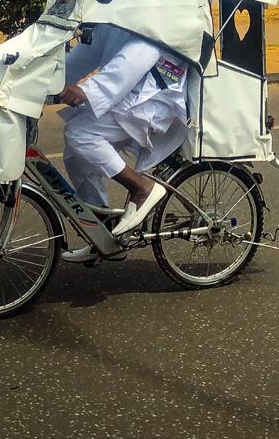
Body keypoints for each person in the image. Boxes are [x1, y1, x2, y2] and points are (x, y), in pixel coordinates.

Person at [58, 23, 189, 262]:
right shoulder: (117, 13)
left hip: (152, 100)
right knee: (76, 156)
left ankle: (142, 188)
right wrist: (52, 81)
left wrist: (88, 91)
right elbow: (88, 52)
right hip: (128, 95)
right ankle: (102, 235)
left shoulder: (149, 10)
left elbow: (137, 57)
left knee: (80, 133)